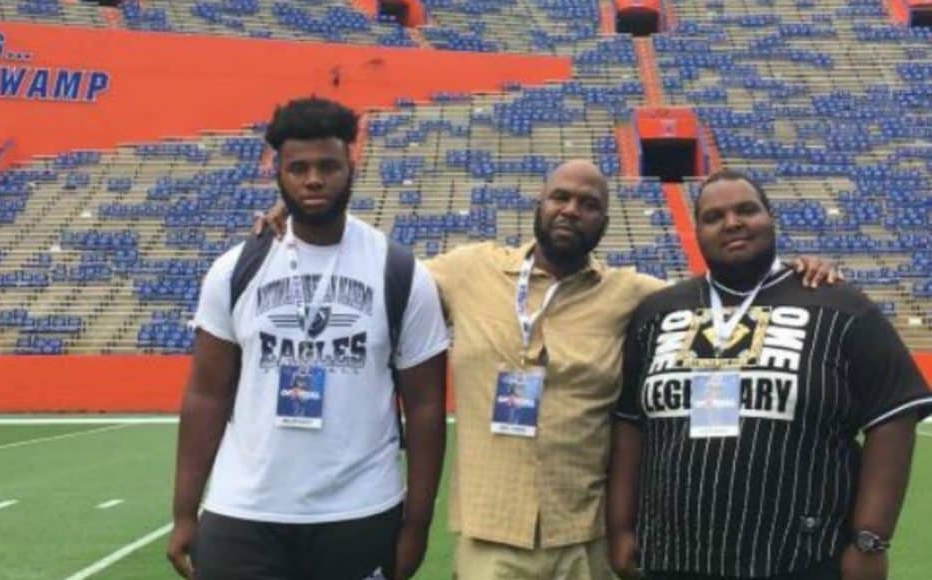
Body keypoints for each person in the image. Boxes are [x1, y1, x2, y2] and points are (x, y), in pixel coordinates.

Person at [254, 160, 841, 579]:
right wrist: (309, 220)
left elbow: (723, 290)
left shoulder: (635, 295)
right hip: (492, 536)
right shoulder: (468, 270)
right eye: (561, 196)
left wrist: (794, 271)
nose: (572, 210)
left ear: (605, 221)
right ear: (539, 204)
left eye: (589, 204)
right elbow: (376, 276)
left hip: (583, 538)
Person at [167, 97, 450, 580]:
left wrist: (417, 524)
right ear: (278, 172)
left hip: (360, 511)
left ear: (351, 167)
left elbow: (424, 406)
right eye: (298, 167)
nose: (313, 179)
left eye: (327, 166)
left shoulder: (400, 272)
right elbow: (206, 394)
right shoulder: (235, 270)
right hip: (244, 512)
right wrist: (185, 512)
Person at [608, 169, 932, 580]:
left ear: (771, 218)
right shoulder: (658, 313)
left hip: (798, 559)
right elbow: (630, 426)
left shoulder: (838, 305)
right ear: (697, 231)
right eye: (713, 216)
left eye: (747, 210)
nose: (732, 223)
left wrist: (870, 538)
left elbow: (893, 416)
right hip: (672, 559)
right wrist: (619, 528)